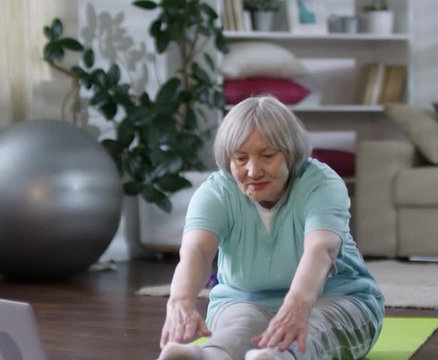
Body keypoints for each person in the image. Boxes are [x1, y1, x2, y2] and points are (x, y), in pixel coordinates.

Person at [158, 95, 384, 360]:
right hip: (243, 300)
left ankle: (279, 358)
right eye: (241, 159)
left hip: (338, 298)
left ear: (290, 153)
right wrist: (181, 300)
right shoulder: (217, 191)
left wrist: (298, 304)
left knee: (314, 328)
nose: (253, 171)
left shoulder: (321, 183)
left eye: (267, 156)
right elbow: (197, 250)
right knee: (237, 327)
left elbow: (322, 249)